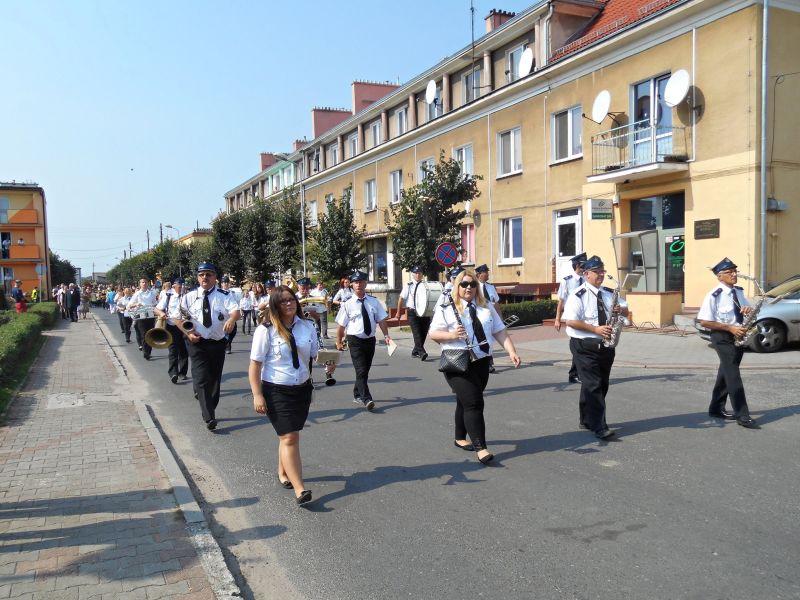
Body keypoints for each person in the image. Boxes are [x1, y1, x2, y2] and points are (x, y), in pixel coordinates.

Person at [249, 285, 335, 506]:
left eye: (291, 300)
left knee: (289, 434)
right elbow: (255, 365)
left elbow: (316, 354)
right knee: (289, 438)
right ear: (275, 305)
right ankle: (300, 489)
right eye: (283, 301)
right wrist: (257, 394)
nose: (288, 304)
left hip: (302, 389)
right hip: (276, 390)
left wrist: (329, 364)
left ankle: (283, 472)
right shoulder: (265, 330)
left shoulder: (307, 326)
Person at [429, 269, 521, 464]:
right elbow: (434, 334)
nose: (468, 287)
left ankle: (459, 437)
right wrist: (452, 336)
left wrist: (511, 351)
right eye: (464, 284)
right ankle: (481, 448)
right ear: (457, 287)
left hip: (481, 361)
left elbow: (500, 331)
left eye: (472, 284)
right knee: (474, 402)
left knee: (464, 401)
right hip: (457, 361)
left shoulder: (485, 307)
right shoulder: (447, 307)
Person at [562, 255, 628, 440]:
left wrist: (620, 310)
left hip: (606, 344)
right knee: (594, 384)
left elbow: (626, 312)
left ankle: (586, 419)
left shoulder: (608, 293)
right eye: (597, 272)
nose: (601, 275)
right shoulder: (578, 295)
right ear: (586, 274)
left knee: (601, 383)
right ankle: (599, 425)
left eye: (602, 271)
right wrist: (595, 329)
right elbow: (571, 321)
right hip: (585, 345)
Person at [697, 258, 758, 429]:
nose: (734, 274)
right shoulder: (713, 295)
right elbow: (704, 322)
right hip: (722, 336)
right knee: (733, 375)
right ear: (719, 276)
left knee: (725, 371)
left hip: (738, 335)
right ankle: (742, 414)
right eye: (729, 272)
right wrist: (729, 328)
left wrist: (748, 310)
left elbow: (746, 310)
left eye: (735, 271)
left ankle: (716, 408)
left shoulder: (738, 292)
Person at [178, 262, 241, 431]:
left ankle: (209, 405)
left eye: (209, 274)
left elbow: (236, 311)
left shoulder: (224, 295)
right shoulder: (189, 297)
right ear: (198, 277)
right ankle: (209, 416)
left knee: (214, 378)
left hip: (217, 342)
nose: (205, 277)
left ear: (215, 277)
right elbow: (178, 318)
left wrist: (231, 319)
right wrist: (188, 333)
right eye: (202, 275)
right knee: (201, 377)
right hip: (196, 342)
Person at [335, 271, 393, 411]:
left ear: (365, 283)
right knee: (361, 370)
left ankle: (357, 393)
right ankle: (367, 398)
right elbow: (341, 326)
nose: (358, 285)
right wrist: (338, 341)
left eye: (361, 282)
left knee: (364, 370)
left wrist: (386, 336)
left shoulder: (373, 301)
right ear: (352, 285)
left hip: (370, 340)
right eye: (356, 282)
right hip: (355, 340)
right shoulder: (347, 304)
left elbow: (381, 320)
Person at [554, 252, 587, 384]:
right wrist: (557, 319)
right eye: (583, 266)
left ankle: (574, 374)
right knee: (577, 343)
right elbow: (561, 301)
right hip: (572, 316)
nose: (585, 269)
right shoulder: (566, 281)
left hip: (584, 316)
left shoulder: (586, 279)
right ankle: (576, 374)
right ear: (577, 265)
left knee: (580, 344)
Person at [156, 277, 189, 384]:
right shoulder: (168, 295)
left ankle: (183, 372)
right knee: (173, 350)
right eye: (180, 286)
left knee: (184, 350)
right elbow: (157, 309)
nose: (182, 288)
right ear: (174, 286)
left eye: (183, 286)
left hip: (185, 326)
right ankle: (173, 373)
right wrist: (161, 313)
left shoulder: (188, 296)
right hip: (172, 325)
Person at [395, 266, 431, 361]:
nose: (418, 275)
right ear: (413, 274)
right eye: (416, 273)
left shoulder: (425, 285)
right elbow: (401, 298)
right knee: (417, 333)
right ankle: (422, 352)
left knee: (423, 333)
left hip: (424, 312)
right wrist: (399, 312)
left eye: (420, 273)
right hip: (413, 312)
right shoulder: (409, 285)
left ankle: (415, 351)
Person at [475, 264, 501, 373]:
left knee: (489, 341)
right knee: (483, 340)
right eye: (485, 273)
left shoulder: (490, 287)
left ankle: (489, 363)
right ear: (478, 275)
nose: (487, 275)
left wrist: (500, 318)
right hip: (479, 319)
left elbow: (496, 303)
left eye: (487, 272)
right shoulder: (474, 287)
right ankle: (486, 362)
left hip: (490, 318)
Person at [129, 278, 158, 359]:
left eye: (145, 282)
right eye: (142, 282)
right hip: (141, 316)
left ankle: (149, 351)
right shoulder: (137, 294)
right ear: (140, 284)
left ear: (148, 283)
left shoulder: (152, 293)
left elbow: (155, 303)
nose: (144, 283)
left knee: (150, 334)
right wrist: (136, 304)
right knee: (144, 334)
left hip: (151, 316)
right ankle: (146, 352)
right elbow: (129, 305)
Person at [220, 276, 240, 354]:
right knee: (226, 332)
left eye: (227, 282)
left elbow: (237, 303)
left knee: (233, 331)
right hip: (223, 316)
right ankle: (227, 346)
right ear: (221, 284)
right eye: (224, 282)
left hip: (232, 315)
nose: (225, 284)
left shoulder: (233, 293)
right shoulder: (219, 293)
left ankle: (228, 342)